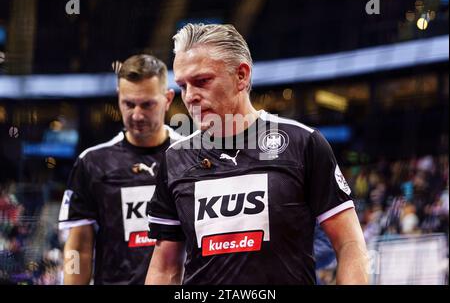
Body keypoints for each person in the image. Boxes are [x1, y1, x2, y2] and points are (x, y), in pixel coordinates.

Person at [146, 23, 369, 285]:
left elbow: (350, 244)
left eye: (202, 81)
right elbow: (164, 268)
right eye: (183, 86)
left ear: (241, 76)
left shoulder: (302, 143)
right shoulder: (175, 159)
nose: (191, 96)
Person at [59, 54, 180, 284]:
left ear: (168, 98)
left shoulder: (188, 157)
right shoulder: (92, 162)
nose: (136, 114)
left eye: (147, 104)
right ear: (118, 99)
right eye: (129, 103)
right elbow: (78, 247)